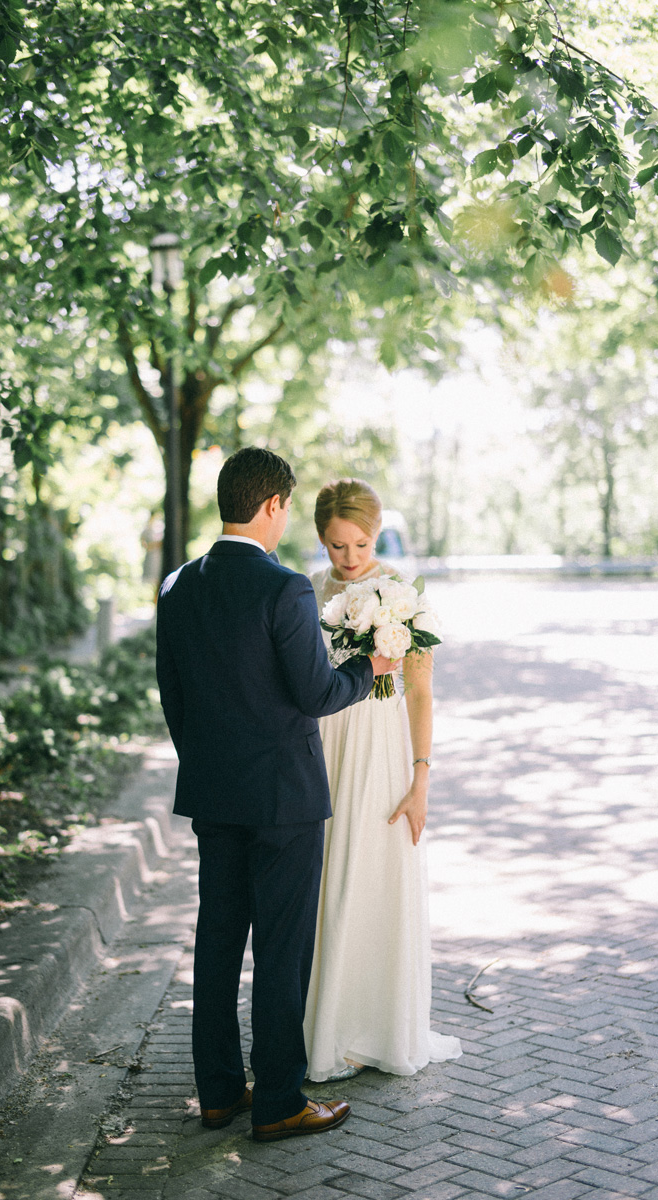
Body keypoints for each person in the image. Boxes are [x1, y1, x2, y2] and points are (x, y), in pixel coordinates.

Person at [155, 448, 400, 1142]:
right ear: (272, 505)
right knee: (283, 953)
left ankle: (218, 1095)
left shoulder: (177, 586)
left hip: (214, 795)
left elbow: (173, 696)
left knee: (218, 942)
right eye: (286, 506)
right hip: (287, 800)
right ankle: (279, 1102)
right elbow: (317, 692)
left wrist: (206, 763)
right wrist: (369, 665)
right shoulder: (284, 587)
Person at [303, 478, 462, 1082]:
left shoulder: (400, 592)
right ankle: (331, 1028)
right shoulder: (309, 591)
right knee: (326, 884)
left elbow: (420, 692)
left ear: (374, 533)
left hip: (383, 751)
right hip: (324, 745)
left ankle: (382, 1025)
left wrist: (420, 780)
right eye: (336, 547)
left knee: (377, 879)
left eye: (359, 543)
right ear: (321, 540)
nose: (349, 559)